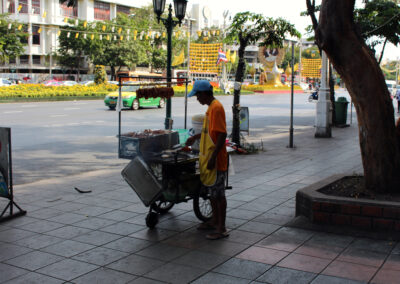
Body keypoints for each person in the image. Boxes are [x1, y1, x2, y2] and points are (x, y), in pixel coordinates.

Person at [185, 80, 229, 240]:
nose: (197, 98)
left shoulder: (216, 108)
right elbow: (209, 132)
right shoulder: (210, 108)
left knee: (218, 195)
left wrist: (213, 157)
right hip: (210, 159)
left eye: (197, 95)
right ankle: (213, 221)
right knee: (211, 193)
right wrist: (195, 137)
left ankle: (221, 228)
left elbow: (222, 134)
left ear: (204, 93)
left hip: (216, 160)